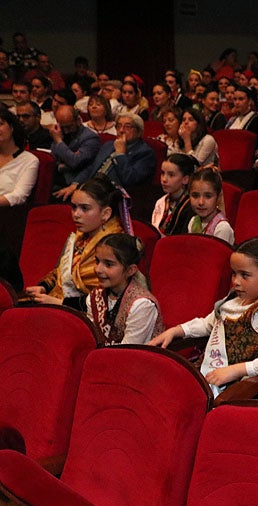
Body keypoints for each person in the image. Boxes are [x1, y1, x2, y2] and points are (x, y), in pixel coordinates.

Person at [149, 237, 258, 397]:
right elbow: (208, 324)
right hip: (209, 376)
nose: (236, 282)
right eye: (234, 273)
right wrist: (176, 331)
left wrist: (236, 370)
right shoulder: (233, 300)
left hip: (239, 390)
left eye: (245, 275)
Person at [25, 176, 126, 310]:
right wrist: (44, 287)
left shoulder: (116, 247)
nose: (76, 214)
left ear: (106, 213)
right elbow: (60, 272)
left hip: (90, 320)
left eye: (84, 208)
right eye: (74, 207)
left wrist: (61, 303)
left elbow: (108, 300)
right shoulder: (79, 237)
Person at [85, 233, 164, 345]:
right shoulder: (95, 296)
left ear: (130, 270)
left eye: (108, 264)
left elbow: (127, 353)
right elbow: (90, 338)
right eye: (97, 261)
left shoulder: (142, 305)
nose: (98, 269)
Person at [56, 112, 155, 200]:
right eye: (119, 126)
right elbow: (92, 167)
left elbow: (130, 180)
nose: (121, 130)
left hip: (111, 194)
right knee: (57, 194)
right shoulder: (109, 145)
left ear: (138, 132)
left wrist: (120, 154)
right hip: (91, 186)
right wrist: (75, 184)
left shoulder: (145, 153)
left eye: (127, 127)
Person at [48, 106, 101, 189]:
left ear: (78, 120)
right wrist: (66, 160)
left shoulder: (90, 138)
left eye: (69, 127)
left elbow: (75, 162)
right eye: (62, 127)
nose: (66, 131)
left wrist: (58, 141)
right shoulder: (60, 132)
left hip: (75, 183)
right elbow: (53, 157)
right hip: (56, 177)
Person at [0, 107, 39, 208]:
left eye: (0, 124)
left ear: (12, 127)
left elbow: (19, 196)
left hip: (7, 214)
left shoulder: (29, 160)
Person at [151, 153, 197, 235]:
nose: (164, 179)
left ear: (185, 179)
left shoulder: (191, 207)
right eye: (162, 173)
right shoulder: (161, 202)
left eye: (171, 175)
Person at [187, 166, 234, 243]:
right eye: (195, 196)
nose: (201, 202)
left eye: (208, 196)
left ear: (218, 197)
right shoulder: (193, 221)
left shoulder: (222, 228)